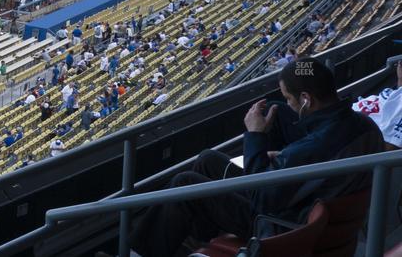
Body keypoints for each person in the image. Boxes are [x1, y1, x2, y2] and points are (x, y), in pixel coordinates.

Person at [128, 59, 384, 257]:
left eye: (288, 98)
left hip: (279, 223)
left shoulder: (315, 145)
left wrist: (255, 136)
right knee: (207, 159)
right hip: (299, 203)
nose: (289, 104)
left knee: (185, 183)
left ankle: (141, 252)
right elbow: (308, 161)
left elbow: (262, 197)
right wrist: (282, 157)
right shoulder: (363, 125)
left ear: (306, 99)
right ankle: (195, 237)